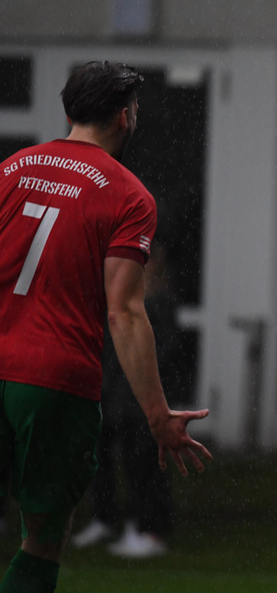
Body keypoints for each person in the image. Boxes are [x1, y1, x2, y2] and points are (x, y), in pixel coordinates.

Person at [0, 61, 212, 592]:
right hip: (53, 382)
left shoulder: (11, 169)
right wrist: (158, 415)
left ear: (69, 110)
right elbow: (125, 312)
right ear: (124, 116)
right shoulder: (127, 195)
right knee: (42, 540)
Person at [70, 242, 181, 558]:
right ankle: (108, 518)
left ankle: (150, 528)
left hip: (142, 396)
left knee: (145, 460)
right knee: (102, 455)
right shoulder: (120, 299)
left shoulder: (157, 303)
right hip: (113, 391)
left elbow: (161, 353)